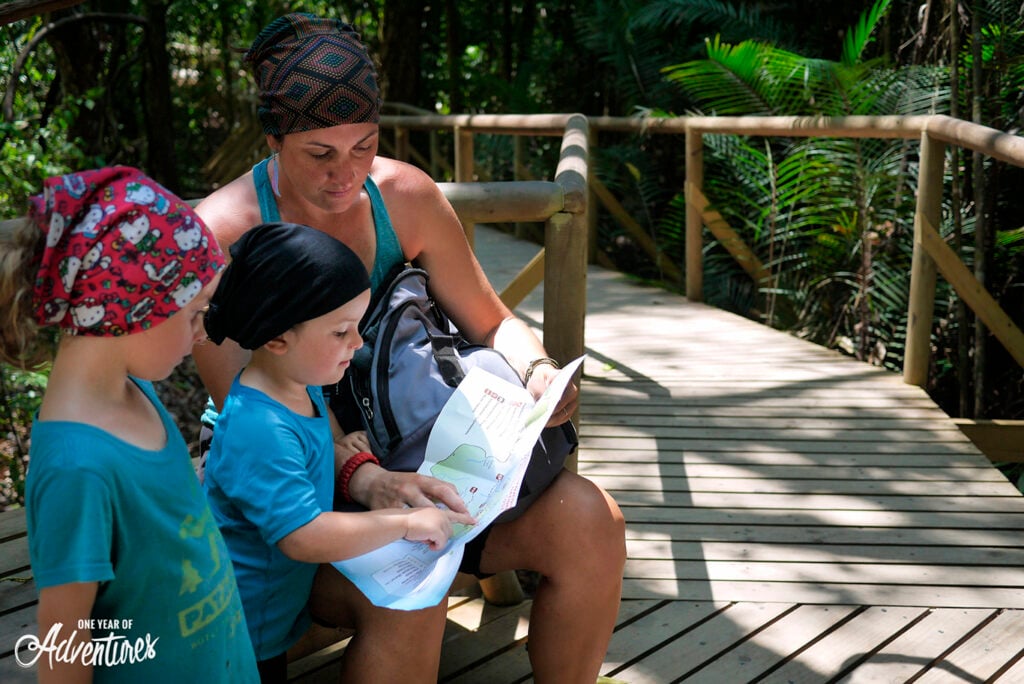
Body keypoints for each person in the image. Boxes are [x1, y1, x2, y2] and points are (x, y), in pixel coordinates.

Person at [192, 12, 626, 683]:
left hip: (438, 467)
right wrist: (373, 485)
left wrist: (537, 369)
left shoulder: (406, 197)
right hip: (304, 504)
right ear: (274, 138)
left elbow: (491, 320)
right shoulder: (222, 235)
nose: (347, 176)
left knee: (591, 521)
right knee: (410, 593)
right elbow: (267, 407)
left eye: (364, 147)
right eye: (320, 155)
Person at [0, 167, 259, 683]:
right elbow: (62, 653)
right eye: (192, 315)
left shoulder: (134, 389)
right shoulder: (77, 468)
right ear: (128, 311)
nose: (201, 334)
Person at [201, 221, 475, 682]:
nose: (358, 343)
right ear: (277, 337)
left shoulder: (296, 386)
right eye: (340, 332)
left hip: (268, 615)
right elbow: (302, 535)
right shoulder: (259, 425)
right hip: (235, 633)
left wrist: (337, 448)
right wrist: (404, 523)